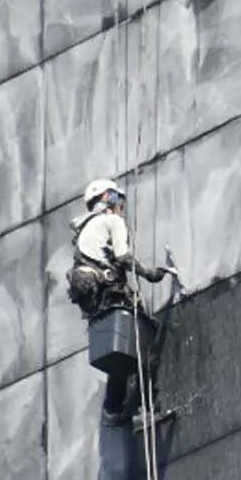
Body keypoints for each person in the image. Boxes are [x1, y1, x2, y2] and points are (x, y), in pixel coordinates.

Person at [67, 178, 175, 424]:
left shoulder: (86, 230)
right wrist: (149, 273)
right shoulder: (111, 221)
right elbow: (123, 257)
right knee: (140, 345)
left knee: (119, 352)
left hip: (95, 301)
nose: (121, 207)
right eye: (118, 200)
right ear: (108, 199)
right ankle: (144, 410)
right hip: (106, 291)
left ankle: (113, 408)